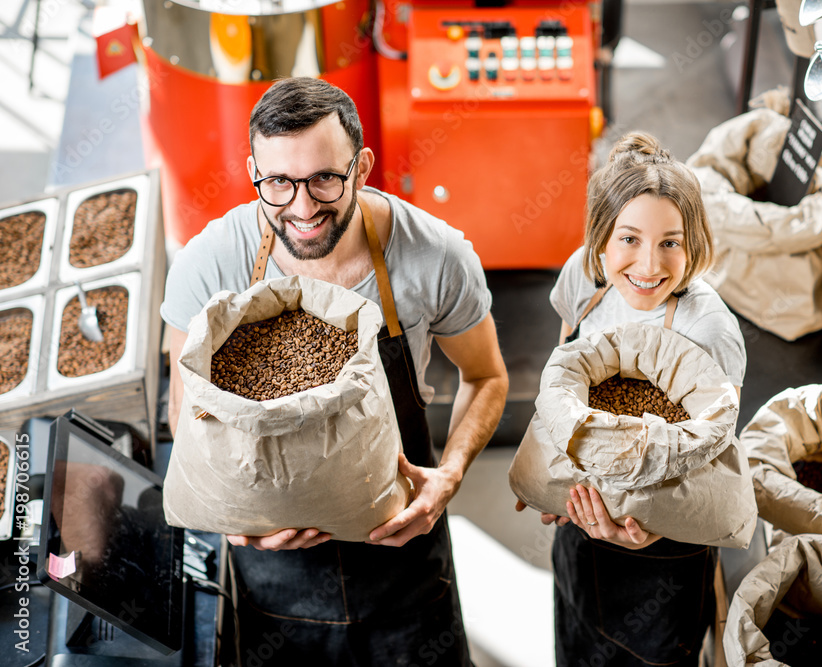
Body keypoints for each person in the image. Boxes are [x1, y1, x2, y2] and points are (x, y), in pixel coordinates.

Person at [160, 77, 509, 664]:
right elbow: (182, 411)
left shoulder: (435, 255)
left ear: (363, 166)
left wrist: (447, 476)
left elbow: (488, 377)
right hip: (274, 566)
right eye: (278, 182)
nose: (301, 207)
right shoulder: (209, 263)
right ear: (253, 172)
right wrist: (234, 523)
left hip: (402, 544)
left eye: (325, 177)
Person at [518, 131, 746, 666]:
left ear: (694, 244)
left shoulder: (708, 328)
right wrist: (551, 477)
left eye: (671, 241)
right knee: (576, 641)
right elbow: (565, 368)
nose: (648, 265)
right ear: (600, 240)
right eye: (628, 239)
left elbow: (713, 451)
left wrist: (647, 533)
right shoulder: (585, 276)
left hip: (663, 548)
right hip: (582, 516)